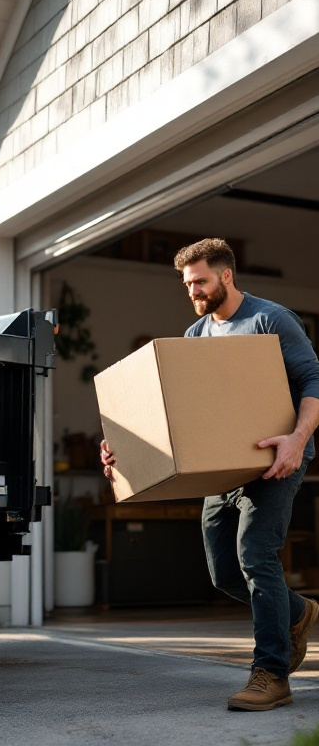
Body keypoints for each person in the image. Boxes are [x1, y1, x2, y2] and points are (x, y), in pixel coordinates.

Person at [100, 237, 319, 711]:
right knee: (223, 574)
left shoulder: (270, 320)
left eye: (199, 280)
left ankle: (271, 674)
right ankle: (298, 612)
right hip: (223, 467)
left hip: (274, 461)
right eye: (187, 284)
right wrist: (125, 449)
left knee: (256, 555)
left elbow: (312, 380)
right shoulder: (196, 335)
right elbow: (181, 412)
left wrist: (296, 442)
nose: (193, 290)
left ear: (225, 275)